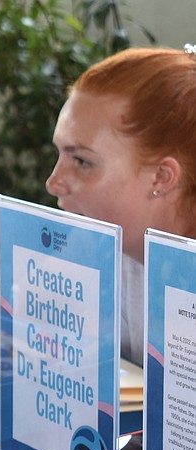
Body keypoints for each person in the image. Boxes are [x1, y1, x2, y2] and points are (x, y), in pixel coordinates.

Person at [45, 46, 196, 366]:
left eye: (82, 161)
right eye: (60, 154)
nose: (53, 183)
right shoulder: (105, 249)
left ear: (161, 176)